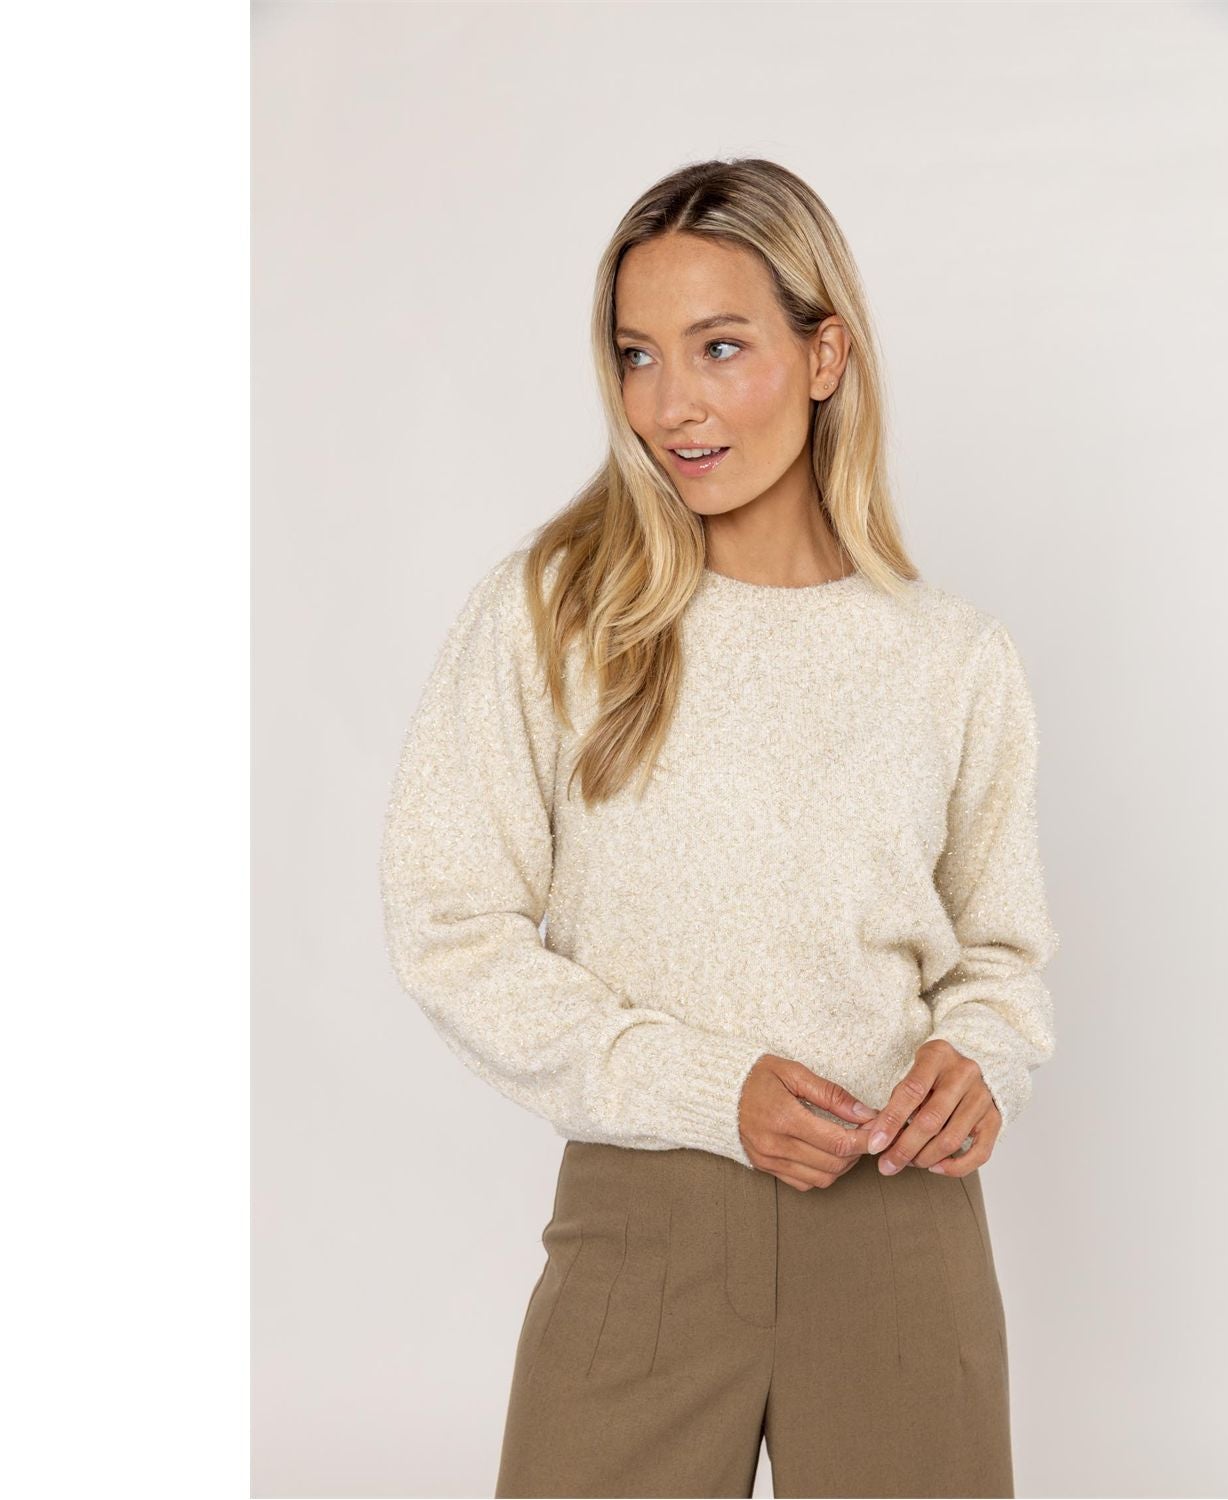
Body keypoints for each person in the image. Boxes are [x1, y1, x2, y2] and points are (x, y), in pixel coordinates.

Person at [379, 157, 1061, 1500]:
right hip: (645, 1224)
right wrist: (704, 1091)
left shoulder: (949, 659)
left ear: (825, 356)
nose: (670, 403)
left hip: (898, 1224)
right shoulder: (555, 616)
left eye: (720, 347)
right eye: (638, 355)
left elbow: (1002, 956)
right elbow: (448, 924)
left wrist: (982, 1055)